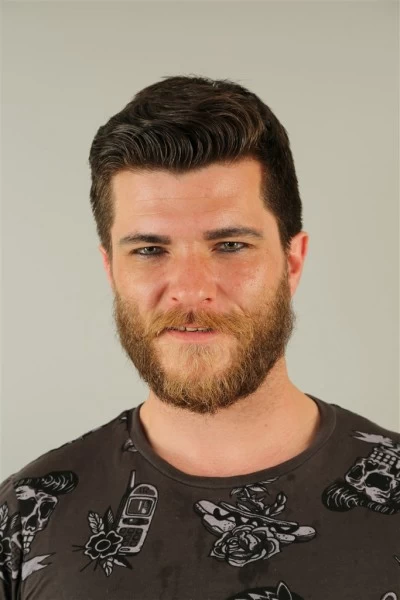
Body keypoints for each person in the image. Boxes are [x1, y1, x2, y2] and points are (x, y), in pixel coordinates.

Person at [0, 75, 398, 600]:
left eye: (230, 245)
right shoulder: (23, 517)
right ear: (111, 269)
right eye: (149, 250)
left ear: (292, 262)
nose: (190, 290)